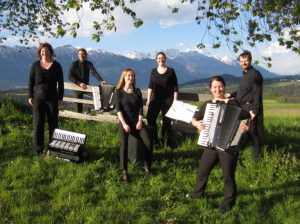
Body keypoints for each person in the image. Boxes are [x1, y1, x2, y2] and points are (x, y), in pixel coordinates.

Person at [186, 76, 249, 214]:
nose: (217, 89)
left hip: (228, 145)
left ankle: (227, 203)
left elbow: (245, 117)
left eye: (220, 86)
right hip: (210, 143)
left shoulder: (233, 103)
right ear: (211, 89)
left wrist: (244, 128)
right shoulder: (208, 104)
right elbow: (194, 117)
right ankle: (198, 193)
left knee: (228, 175)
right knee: (203, 170)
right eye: (214, 87)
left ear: (224, 87)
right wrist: (196, 123)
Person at [115, 68, 154, 183]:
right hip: (125, 122)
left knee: (148, 142)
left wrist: (140, 121)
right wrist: (124, 124)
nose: (130, 78)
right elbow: (119, 110)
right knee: (124, 144)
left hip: (137, 122)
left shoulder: (137, 91)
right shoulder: (119, 92)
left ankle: (147, 166)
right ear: (124, 77)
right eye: (128, 76)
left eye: (132, 76)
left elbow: (140, 108)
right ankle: (124, 171)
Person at [28, 43, 64, 154]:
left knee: (53, 123)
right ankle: (38, 149)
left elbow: (60, 83)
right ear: (40, 53)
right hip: (38, 98)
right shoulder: (35, 65)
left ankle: (54, 148)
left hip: (52, 98)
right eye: (42, 51)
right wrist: (30, 96)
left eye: (47, 51)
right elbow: (31, 81)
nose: (44, 53)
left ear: (51, 52)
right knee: (38, 123)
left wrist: (60, 97)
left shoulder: (57, 65)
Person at [228, 51, 264, 162]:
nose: (243, 63)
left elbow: (257, 93)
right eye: (241, 61)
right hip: (244, 107)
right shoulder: (246, 74)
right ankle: (245, 155)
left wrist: (255, 110)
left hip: (250, 107)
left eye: (246, 60)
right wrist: (231, 95)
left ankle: (257, 159)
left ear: (250, 60)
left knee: (253, 133)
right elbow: (243, 91)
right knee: (246, 132)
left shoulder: (254, 74)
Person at [146, 51, 179, 147]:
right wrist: (148, 99)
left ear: (165, 59)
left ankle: (165, 141)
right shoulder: (153, 71)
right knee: (150, 118)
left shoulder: (171, 71)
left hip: (167, 100)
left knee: (167, 121)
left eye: (162, 58)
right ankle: (154, 139)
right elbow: (150, 86)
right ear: (156, 60)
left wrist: (175, 101)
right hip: (155, 99)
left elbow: (175, 87)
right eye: (159, 58)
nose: (161, 59)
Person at [68, 48, 107, 113]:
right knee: (78, 108)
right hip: (77, 87)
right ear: (78, 55)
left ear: (86, 55)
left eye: (83, 54)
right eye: (80, 54)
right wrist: (79, 83)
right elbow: (70, 76)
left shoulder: (89, 64)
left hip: (86, 86)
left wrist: (101, 80)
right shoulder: (74, 64)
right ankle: (79, 121)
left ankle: (90, 109)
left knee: (97, 95)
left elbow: (94, 72)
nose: (81, 55)